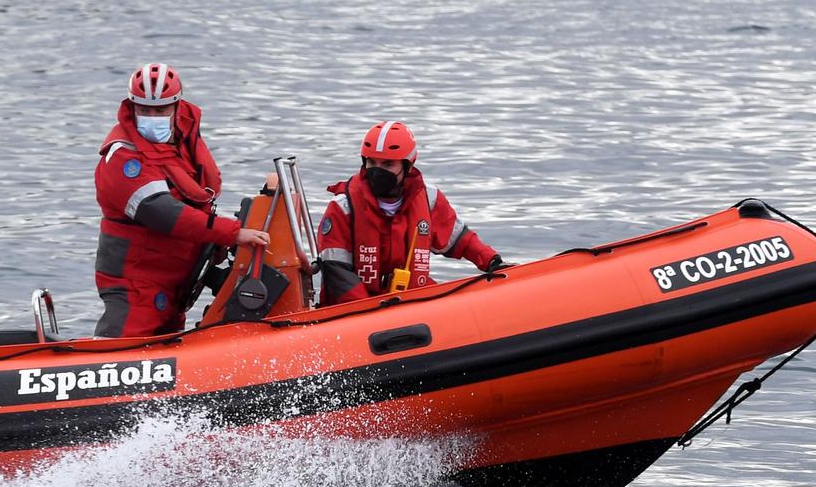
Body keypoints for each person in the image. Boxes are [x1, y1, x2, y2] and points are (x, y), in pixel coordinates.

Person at [92, 62, 270, 337]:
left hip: (174, 282)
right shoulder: (122, 157)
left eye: (160, 110)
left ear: (176, 106)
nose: (152, 117)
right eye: (144, 110)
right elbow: (163, 212)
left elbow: (198, 195)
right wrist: (232, 233)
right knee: (120, 352)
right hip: (137, 281)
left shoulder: (184, 140)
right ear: (132, 106)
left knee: (165, 350)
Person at [316, 121, 506, 304]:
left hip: (412, 301)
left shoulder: (428, 199)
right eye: (372, 163)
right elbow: (337, 272)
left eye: (388, 165)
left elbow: (460, 241)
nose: (377, 171)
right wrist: (369, 311)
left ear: (407, 165)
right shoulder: (343, 207)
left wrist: (492, 261)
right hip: (359, 308)